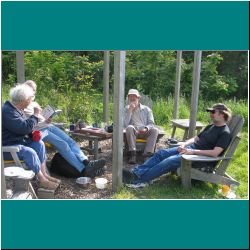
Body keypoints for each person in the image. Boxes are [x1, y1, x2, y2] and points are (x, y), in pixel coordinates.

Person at [123, 103, 232, 186]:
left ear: (222, 115)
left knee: (169, 161)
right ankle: (137, 172)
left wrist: (192, 151)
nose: (211, 114)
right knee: (162, 153)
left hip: (200, 159)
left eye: (213, 112)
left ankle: (138, 181)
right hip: (191, 150)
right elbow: (196, 138)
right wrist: (185, 143)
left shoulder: (225, 133)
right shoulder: (211, 126)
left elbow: (215, 153)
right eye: (210, 112)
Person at [22, 80, 106, 178]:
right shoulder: (22, 104)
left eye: (34, 91)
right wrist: (40, 119)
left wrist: (47, 119)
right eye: (31, 90)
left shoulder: (34, 103)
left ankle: (87, 163)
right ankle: (83, 170)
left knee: (70, 141)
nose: (33, 93)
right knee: (63, 145)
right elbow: (27, 124)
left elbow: (40, 117)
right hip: (39, 131)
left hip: (48, 126)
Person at [2, 84, 60, 190]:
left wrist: (32, 134)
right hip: (7, 148)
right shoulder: (7, 112)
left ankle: (44, 174)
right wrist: (35, 115)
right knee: (30, 152)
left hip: (16, 142)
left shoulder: (16, 109)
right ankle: (42, 180)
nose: (31, 101)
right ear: (23, 100)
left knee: (39, 144)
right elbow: (23, 128)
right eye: (30, 98)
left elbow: (21, 129)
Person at [124, 89, 159, 164]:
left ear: (138, 98)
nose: (133, 98)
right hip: (134, 131)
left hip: (145, 131)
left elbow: (151, 123)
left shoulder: (146, 109)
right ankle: (133, 155)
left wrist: (146, 128)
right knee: (129, 127)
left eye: (135, 97)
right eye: (131, 96)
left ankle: (147, 155)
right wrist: (130, 111)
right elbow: (125, 124)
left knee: (155, 130)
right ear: (128, 98)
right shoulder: (126, 109)